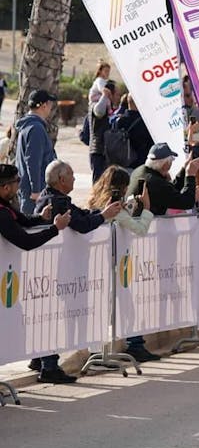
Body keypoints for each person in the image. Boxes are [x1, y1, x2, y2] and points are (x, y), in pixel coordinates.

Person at [30, 159, 123, 374]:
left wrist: (102, 211)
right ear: (61, 180)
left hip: (56, 267)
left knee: (50, 316)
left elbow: (81, 214)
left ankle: (39, 360)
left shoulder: (56, 197)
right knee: (52, 316)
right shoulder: (56, 202)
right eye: (71, 176)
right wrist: (104, 216)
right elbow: (81, 225)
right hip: (55, 268)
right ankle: (48, 366)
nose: (74, 179)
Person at [0, 164, 72, 382]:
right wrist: (55, 229)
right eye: (17, 182)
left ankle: (41, 360)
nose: (19, 186)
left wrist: (40, 218)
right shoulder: (1, 212)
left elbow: (22, 220)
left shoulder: (6, 206)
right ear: (5, 187)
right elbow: (25, 241)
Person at [127, 143, 199, 215]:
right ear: (165, 165)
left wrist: (184, 169)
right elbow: (187, 202)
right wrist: (190, 175)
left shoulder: (140, 171)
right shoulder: (156, 183)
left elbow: (169, 190)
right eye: (172, 160)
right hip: (149, 223)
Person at [14, 90, 58, 215]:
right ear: (43, 105)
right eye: (50, 104)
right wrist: (36, 190)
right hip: (34, 193)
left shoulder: (29, 125)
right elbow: (33, 161)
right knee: (33, 224)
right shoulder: (36, 128)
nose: (51, 107)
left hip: (28, 188)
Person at [87, 80, 120, 183]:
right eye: (117, 94)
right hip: (98, 151)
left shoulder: (110, 107)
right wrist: (104, 95)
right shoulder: (96, 104)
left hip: (106, 152)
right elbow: (99, 112)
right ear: (110, 94)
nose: (118, 97)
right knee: (98, 183)